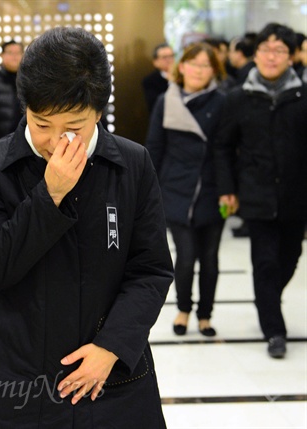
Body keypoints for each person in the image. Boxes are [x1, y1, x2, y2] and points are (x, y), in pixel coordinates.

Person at [0, 27, 173, 428]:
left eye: (74, 126)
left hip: (113, 369)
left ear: (99, 111)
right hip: (16, 369)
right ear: (26, 109)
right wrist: (48, 196)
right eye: (41, 125)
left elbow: (151, 269)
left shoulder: (131, 162)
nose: (56, 142)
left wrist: (112, 347)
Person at [215, 23, 307, 359]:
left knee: (290, 258)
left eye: (280, 50)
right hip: (255, 194)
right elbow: (222, 147)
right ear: (256, 55)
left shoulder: (302, 96)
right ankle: (275, 330)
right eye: (266, 50)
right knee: (265, 261)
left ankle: (266, 299)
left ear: (292, 56)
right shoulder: (238, 99)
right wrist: (227, 189)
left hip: (297, 196)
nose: (272, 56)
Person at [146, 42, 226, 337]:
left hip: (213, 189)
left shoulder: (221, 101)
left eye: (206, 65)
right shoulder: (166, 100)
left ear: (214, 71)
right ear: (181, 66)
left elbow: (226, 149)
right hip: (175, 189)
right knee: (186, 254)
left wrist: (229, 189)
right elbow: (154, 147)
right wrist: (148, 190)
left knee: (210, 258)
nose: (198, 70)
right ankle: (182, 309)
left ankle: (205, 315)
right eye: (194, 64)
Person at [142, 43, 175, 114]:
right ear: (155, 62)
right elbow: (155, 105)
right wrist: (171, 82)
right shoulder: (150, 81)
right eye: (164, 57)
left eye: (171, 56)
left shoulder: (184, 77)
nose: (169, 60)